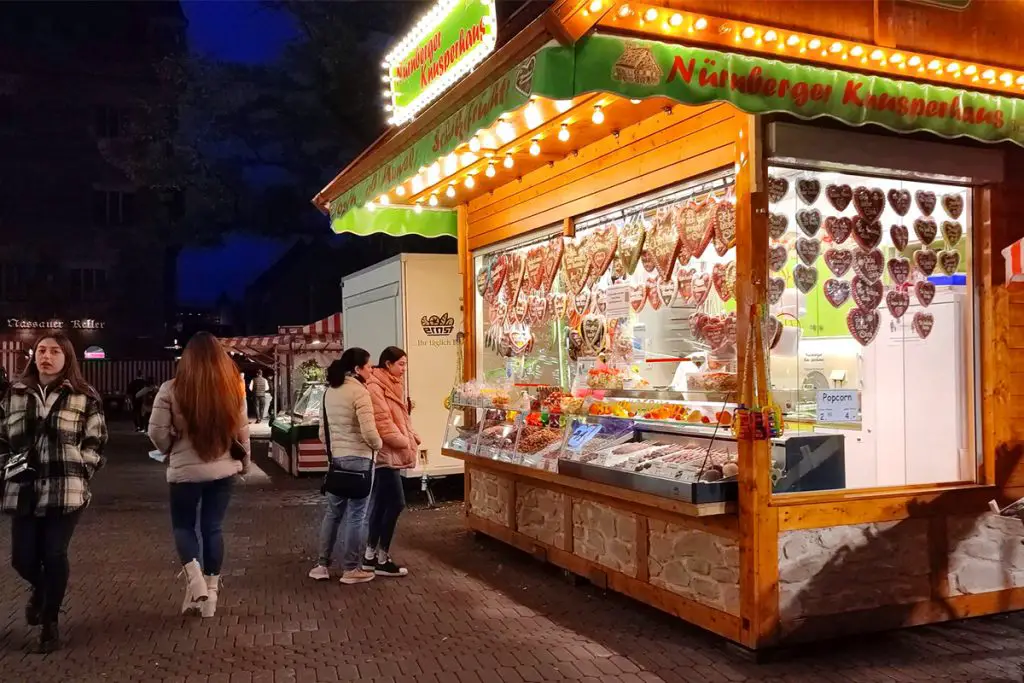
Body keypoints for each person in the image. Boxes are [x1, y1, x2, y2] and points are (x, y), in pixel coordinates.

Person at [0, 333, 107, 652]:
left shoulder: (84, 395)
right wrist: (6, 466)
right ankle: (42, 590)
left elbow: (96, 440)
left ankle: (50, 622)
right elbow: (3, 437)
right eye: (41, 351)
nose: (46, 356)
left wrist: (82, 467)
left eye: (55, 351)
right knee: (22, 558)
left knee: (54, 553)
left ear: (67, 357)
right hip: (23, 487)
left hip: (66, 487)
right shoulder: (15, 393)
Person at [148, 332, 250, 618]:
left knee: (183, 526)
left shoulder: (171, 389)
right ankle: (212, 593)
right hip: (224, 468)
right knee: (213, 528)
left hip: (185, 471)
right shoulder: (233, 388)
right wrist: (246, 463)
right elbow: (242, 431)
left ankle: (195, 579)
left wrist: (170, 447)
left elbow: (155, 432)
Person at [308, 348, 382, 585]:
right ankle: (351, 569)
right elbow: (369, 432)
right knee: (357, 517)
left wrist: (336, 450)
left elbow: (322, 432)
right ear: (358, 369)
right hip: (360, 461)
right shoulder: (360, 393)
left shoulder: (329, 391)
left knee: (333, 514)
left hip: (336, 462)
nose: (372, 370)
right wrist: (378, 445)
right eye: (369, 366)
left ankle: (322, 565)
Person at [363, 346, 419, 578]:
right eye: (401, 364)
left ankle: (369, 557)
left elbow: (397, 417)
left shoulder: (392, 384)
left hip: (390, 453)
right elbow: (383, 423)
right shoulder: (376, 387)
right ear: (387, 364)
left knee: (381, 504)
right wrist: (405, 442)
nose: (404, 369)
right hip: (386, 455)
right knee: (396, 503)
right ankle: (382, 558)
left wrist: (411, 434)